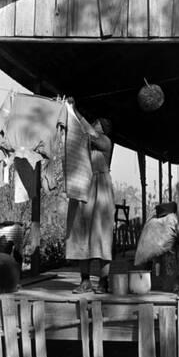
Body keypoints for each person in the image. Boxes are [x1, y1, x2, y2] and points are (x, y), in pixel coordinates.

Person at [65, 115, 115, 294]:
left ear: (104, 128)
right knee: (80, 234)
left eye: (99, 122)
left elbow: (91, 134)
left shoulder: (105, 142)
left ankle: (103, 281)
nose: (95, 123)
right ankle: (85, 281)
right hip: (82, 186)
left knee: (101, 235)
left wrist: (77, 113)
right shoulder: (84, 142)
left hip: (100, 190)